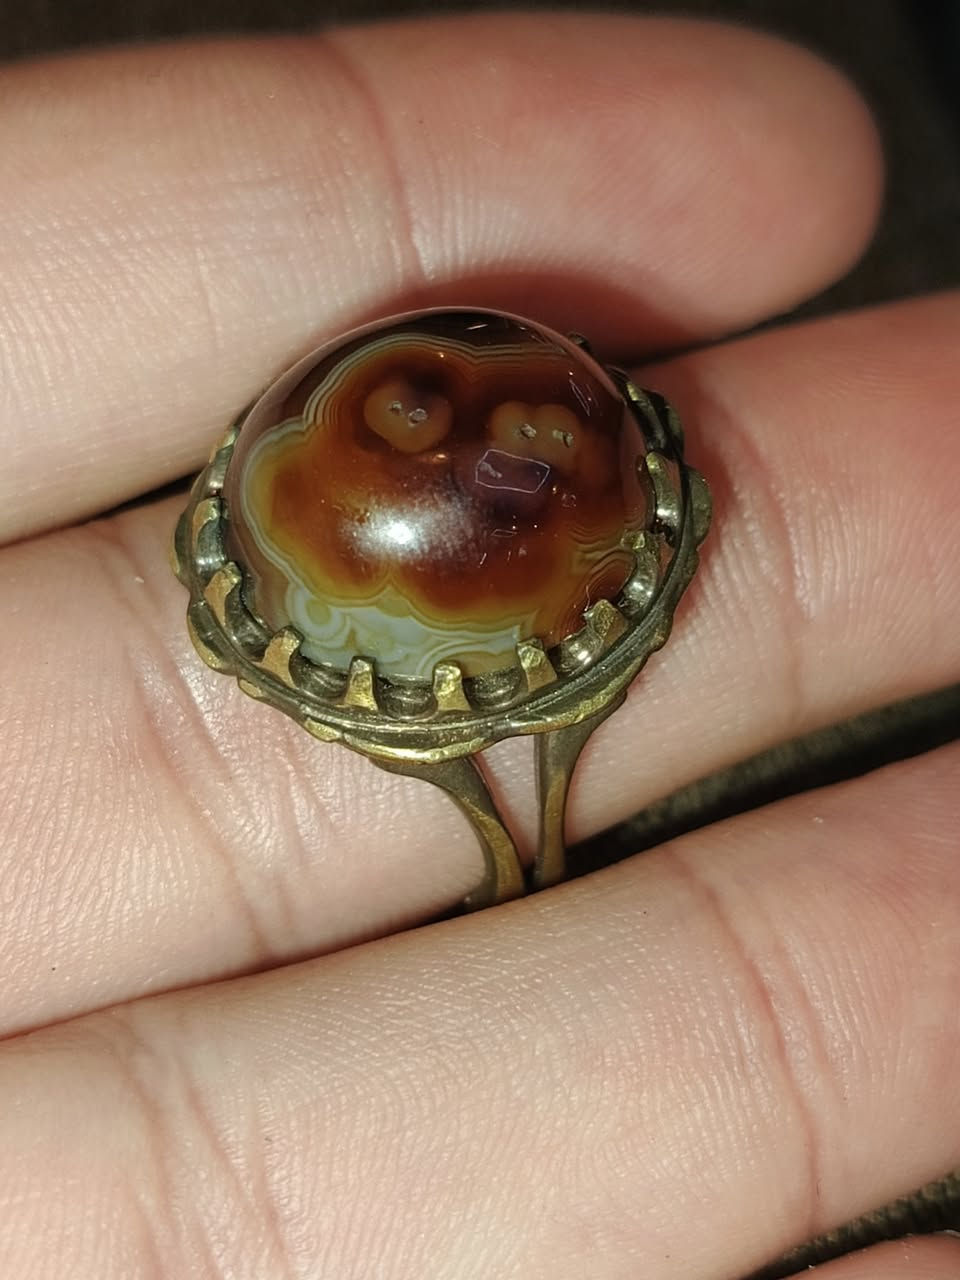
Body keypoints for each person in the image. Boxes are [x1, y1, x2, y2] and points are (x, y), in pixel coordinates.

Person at [0, 12, 957, 1279]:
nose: (482, 436)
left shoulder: (543, 441)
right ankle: (520, 858)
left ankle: (524, 860)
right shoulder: (325, 478)